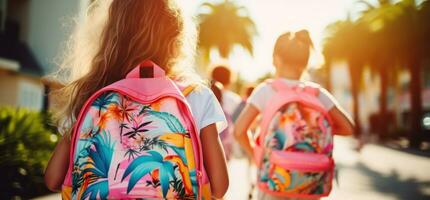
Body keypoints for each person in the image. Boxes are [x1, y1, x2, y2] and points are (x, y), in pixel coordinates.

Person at [44, 0, 229, 198]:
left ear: (112, 35)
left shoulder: (90, 93)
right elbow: (219, 186)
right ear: (176, 37)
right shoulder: (197, 95)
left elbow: (53, 178)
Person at [234, 30, 354, 200]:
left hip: (275, 179)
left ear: (276, 59)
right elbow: (348, 127)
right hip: (310, 181)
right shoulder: (318, 94)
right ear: (305, 63)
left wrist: (256, 155)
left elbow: (238, 131)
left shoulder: (266, 91)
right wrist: (312, 130)